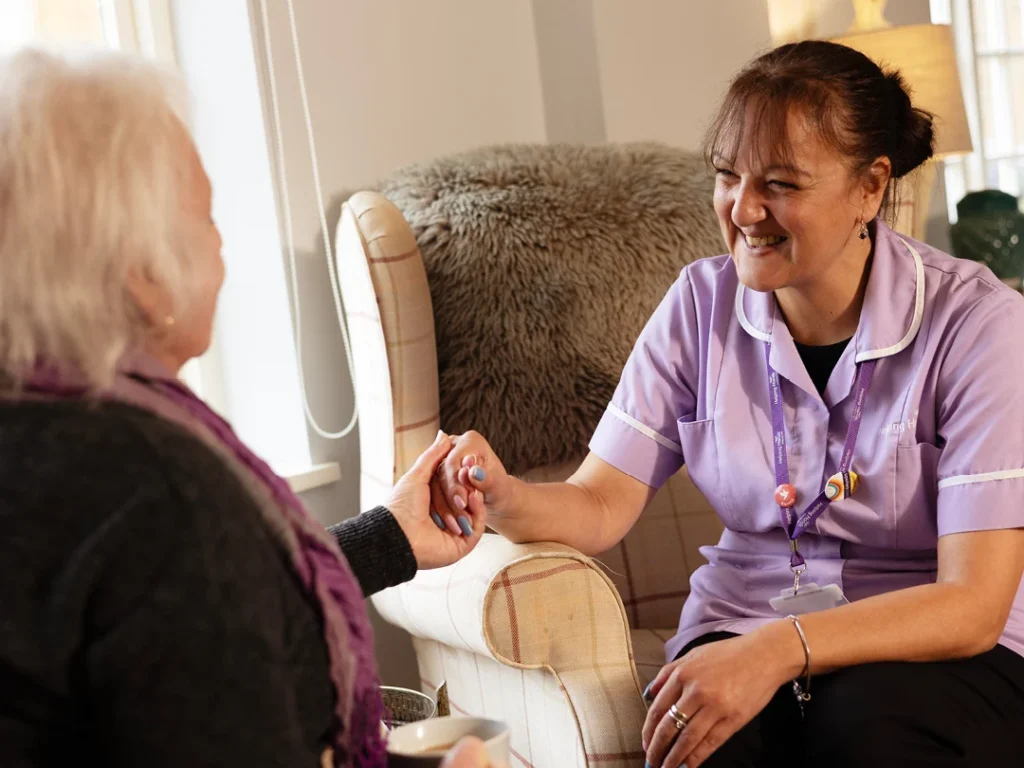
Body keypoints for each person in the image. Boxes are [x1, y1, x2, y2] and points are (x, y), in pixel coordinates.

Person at [432, 40, 1024, 767]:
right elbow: (599, 504)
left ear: (871, 188)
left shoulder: (979, 325)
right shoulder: (697, 307)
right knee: (707, 743)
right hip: (745, 616)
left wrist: (780, 652)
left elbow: (972, 604)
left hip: (934, 639)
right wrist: (502, 493)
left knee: (868, 730)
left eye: (780, 183)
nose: (743, 209)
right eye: (726, 176)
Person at [0, 49, 491, 768]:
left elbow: (193, 619)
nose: (223, 243)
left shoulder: (40, 431)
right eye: (206, 216)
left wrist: (389, 536)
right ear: (141, 275)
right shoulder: (162, 489)